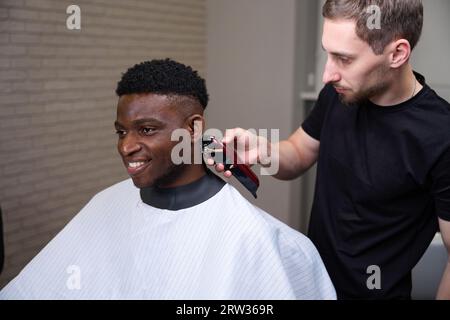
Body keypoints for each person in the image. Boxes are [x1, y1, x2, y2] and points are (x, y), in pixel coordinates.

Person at [0, 59, 336, 300]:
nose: (126, 146)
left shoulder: (256, 238)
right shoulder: (104, 206)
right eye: (121, 132)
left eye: (146, 129)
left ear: (194, 129)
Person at [210, 0, 450, 299]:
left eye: (344, 59)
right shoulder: (337, 94)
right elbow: (297, 156)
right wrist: (262, 151)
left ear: (397, 53)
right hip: (310, 285)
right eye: (328, 55)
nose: (328, 75)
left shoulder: (441, 135)